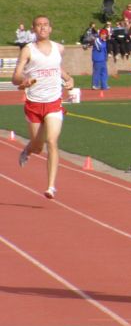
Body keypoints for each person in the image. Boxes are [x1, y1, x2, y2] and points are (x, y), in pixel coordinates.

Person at [13, 15, 75, 199]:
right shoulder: (28, 50)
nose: (42, 28)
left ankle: (51, 186)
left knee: (52, 141)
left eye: (45, 25)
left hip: (54, 103)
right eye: (39, 25)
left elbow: (57, 68)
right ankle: (28, 149)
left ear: (50, 28)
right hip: (34, 103)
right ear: (33, 29)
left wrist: (69, 79)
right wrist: (24, 81)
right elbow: (15, 77)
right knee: (38, 147)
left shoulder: (59, 48)